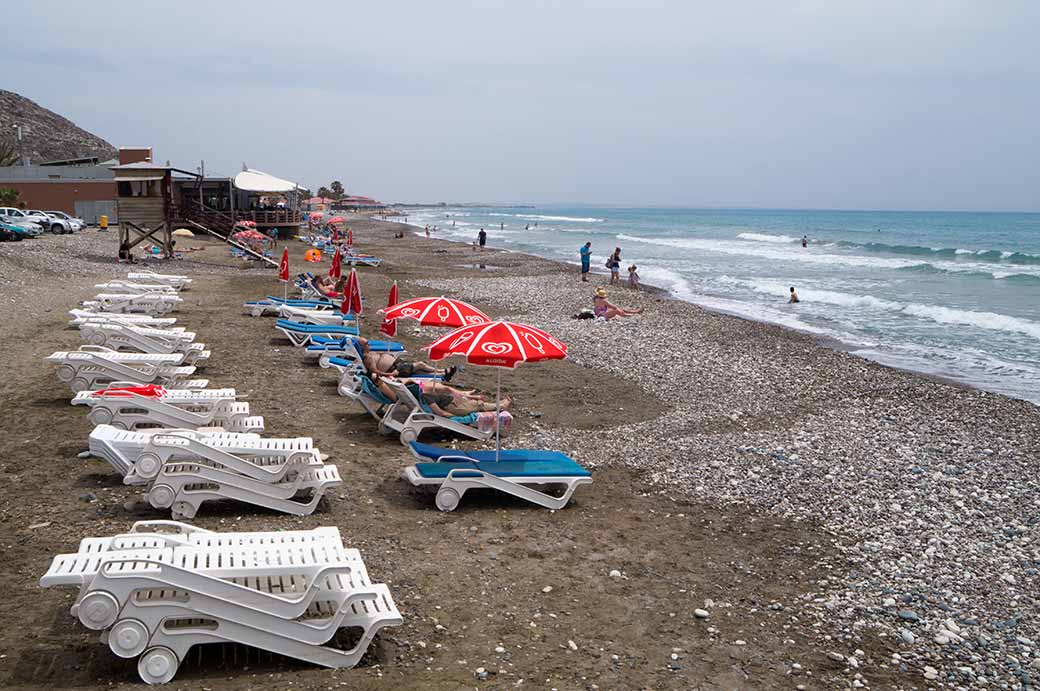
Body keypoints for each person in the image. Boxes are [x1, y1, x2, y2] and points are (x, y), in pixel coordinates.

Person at [357, 337, 457, 379]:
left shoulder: (370, 352)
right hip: (394, 369)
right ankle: (442, 371)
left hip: (398, 365)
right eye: (366, 343)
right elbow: (375, 371)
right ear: (362, 346)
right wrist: (390, 374)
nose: (368, 344)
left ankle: (442, 374)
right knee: (420, 364)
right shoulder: (367, 357)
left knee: (418, 371)